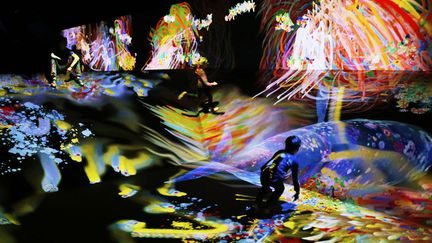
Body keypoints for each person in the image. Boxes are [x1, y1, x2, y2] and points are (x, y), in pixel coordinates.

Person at [255, 136, 301, 209]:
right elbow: (295, 178)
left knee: (265, 187)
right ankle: (268, 206)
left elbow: (266, 165)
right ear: (297, 148)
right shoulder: (294, 160)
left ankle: (256, 203)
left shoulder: (279, 152)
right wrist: (297, 191)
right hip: (275, 179)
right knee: (280, 189)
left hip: (264, 175)